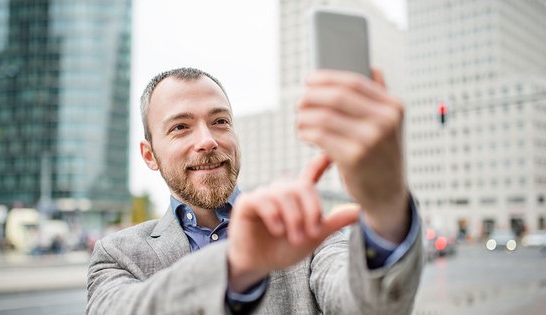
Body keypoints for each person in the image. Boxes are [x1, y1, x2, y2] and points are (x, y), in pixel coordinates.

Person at [86, 67, 423, 314]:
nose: (207, 140)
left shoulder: (306, 229)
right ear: (149, 155)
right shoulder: (117, 255)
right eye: (180, 127)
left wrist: (386, 207)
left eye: (220, 121)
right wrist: (238, 264)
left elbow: (371, 306)